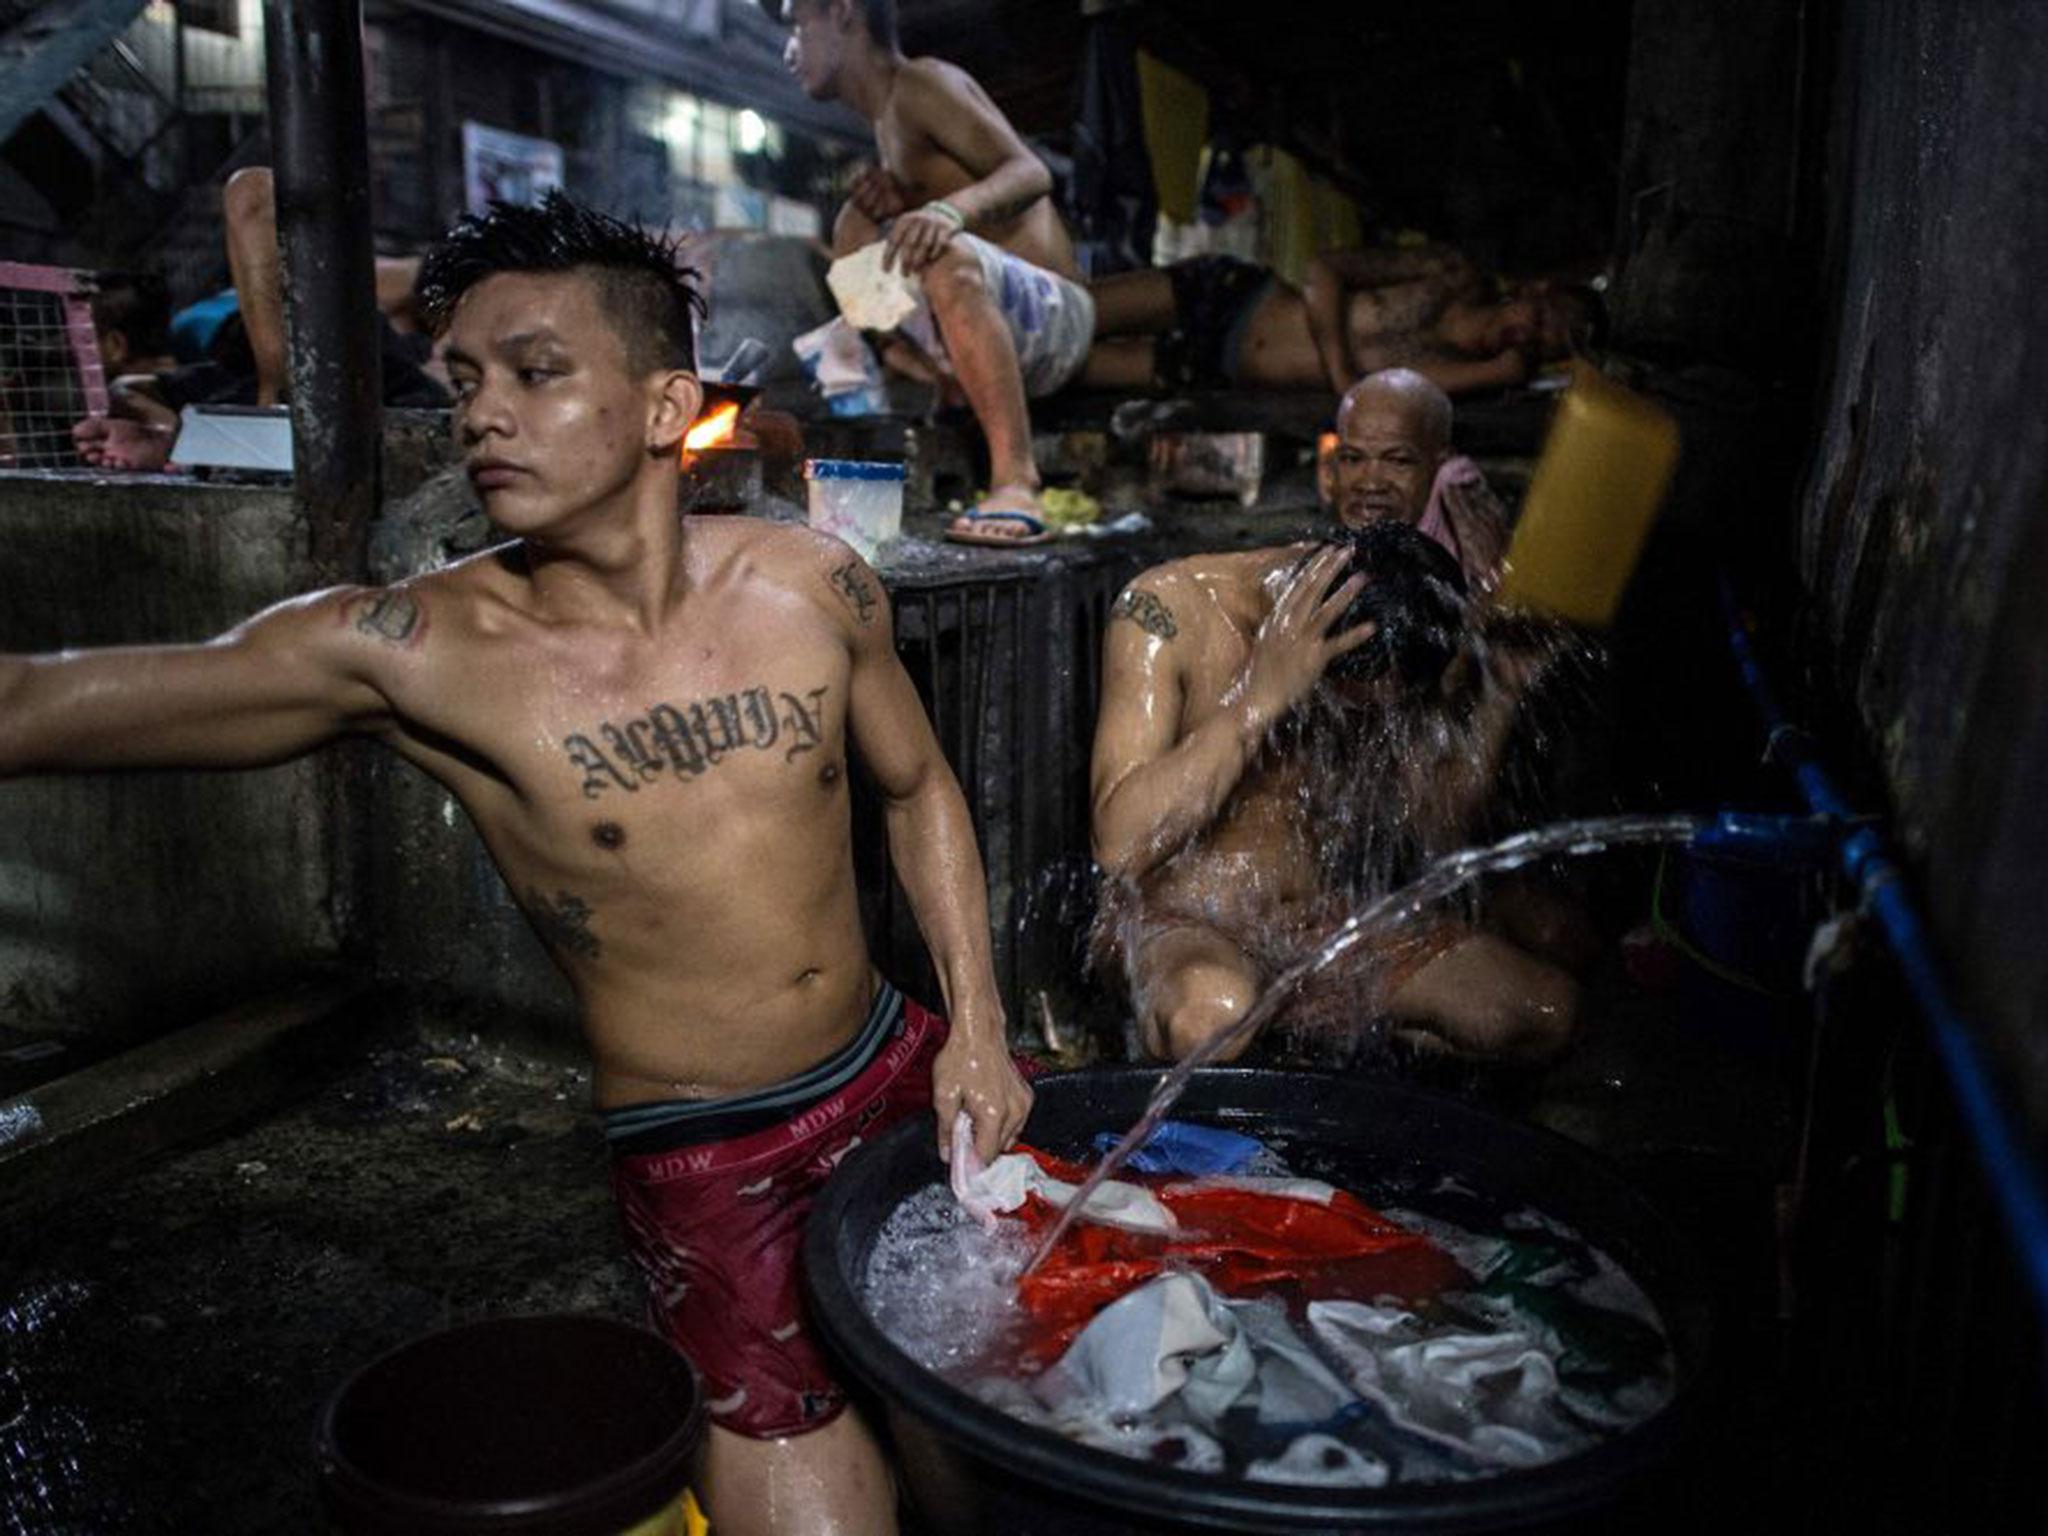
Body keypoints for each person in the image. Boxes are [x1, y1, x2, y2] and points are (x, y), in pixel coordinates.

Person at [9, 191, 1032, 1536]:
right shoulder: (418, 651)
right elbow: (40, 699)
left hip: (893, 1064)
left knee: (980, 1437)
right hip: (707, 1152)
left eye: (538, 374)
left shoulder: (812, 585)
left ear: (669, 407)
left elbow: (918, 789)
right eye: (468, 380)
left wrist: (982, 1026)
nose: (483, 412)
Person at [1089, 368, 1589, 1066]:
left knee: (1539, 1010)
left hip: (1317, 928)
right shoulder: (1169, 609)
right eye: (1356, 457)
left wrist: (1499, 691)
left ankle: (1315, 1043)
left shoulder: (1402, 611)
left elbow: (1428, 830)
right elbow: (1118, 844)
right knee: (1213, 1018)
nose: (1373, 477)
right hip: (1182, 925)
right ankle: (1238, 1033)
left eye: (1399, 460)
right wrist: (1259, 698)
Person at [764, 0, 1095, 546]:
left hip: (1058, 318)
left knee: (943, 252)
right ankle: (930, 384)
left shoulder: (922, 82)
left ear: (843, 13)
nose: (789, 48)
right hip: (1003, 333)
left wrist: (948, 211)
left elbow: (1031, 171)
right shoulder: (884, 126)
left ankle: (1015, 478)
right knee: (853, 226)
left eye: (799, 24)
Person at [73, 166, 447, 473]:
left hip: (308, 363)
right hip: (305, 379)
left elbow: (254, 197)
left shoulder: (202, 328)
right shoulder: (209, 376)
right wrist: (175, 437)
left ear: (116, 344)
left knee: (249, 186)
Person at [1083, 245, 1597, 399]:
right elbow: (1322, 269)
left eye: (1545, 344)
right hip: (1230, 297)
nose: (1532, 333)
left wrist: (1498, 373)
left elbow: (1385, 392)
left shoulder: (1461, 372)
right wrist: (1340, 369)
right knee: (1064, 311)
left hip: (1216, 367)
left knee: (1062, 364)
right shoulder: (1447, 273)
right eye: (1544, 317)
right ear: (1536, 290)